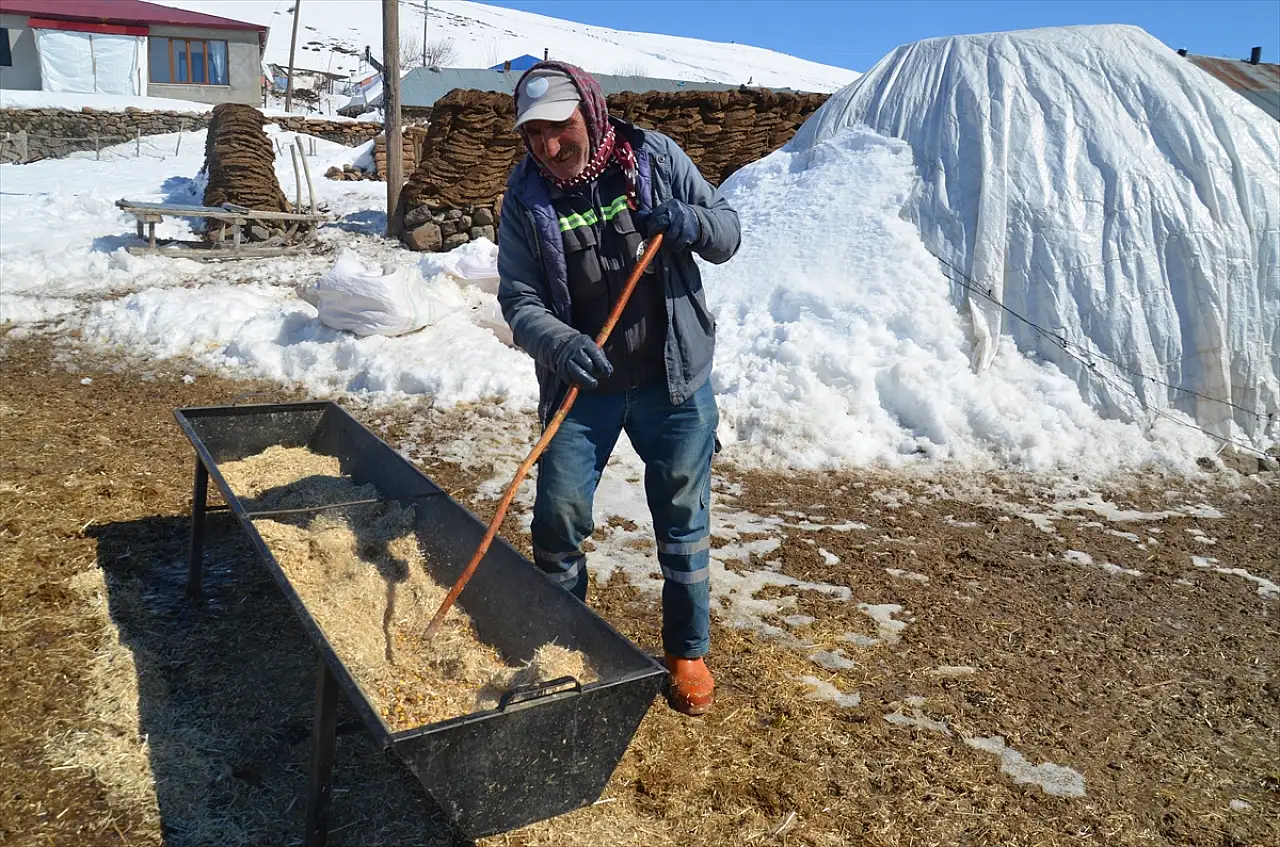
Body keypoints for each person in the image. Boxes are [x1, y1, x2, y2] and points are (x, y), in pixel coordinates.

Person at [497, 62, 740, 716]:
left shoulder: (654, 158)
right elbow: (519, 299)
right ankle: (562, 640)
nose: (548, 147)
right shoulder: (525, 198)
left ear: (591, 112)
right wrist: (559, 342)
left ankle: (686, 649)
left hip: (672, 379)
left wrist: (689, 220)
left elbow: (729, 231)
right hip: (585, 387)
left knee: (683, 517)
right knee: (558, 513)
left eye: (559, 128)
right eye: (533, 135)